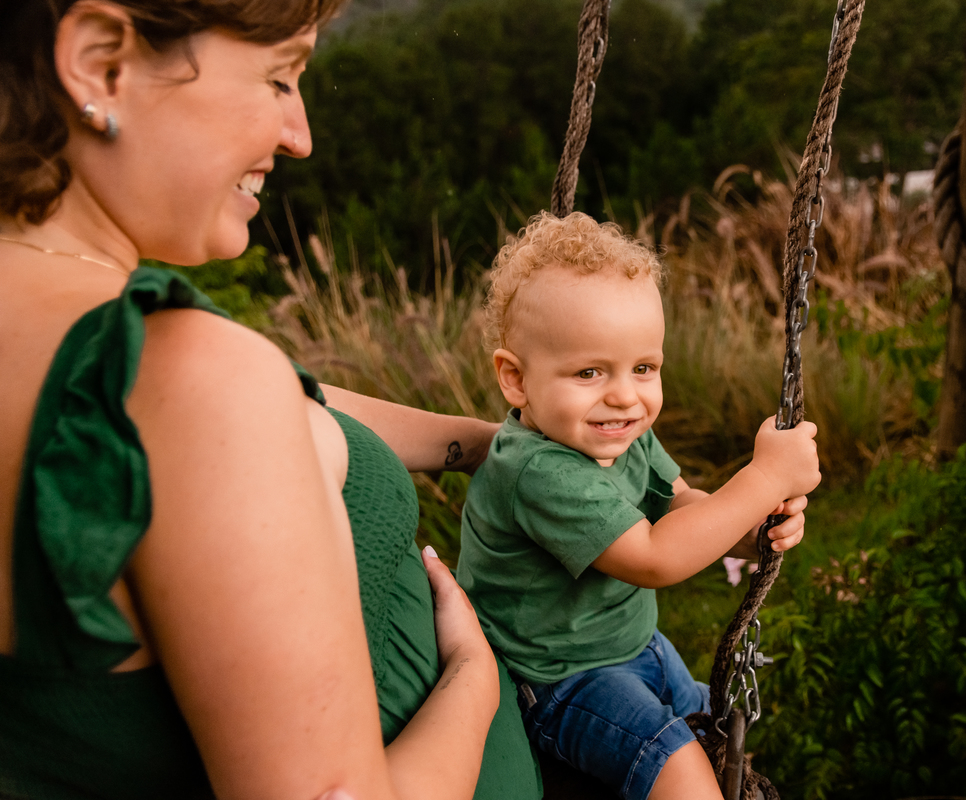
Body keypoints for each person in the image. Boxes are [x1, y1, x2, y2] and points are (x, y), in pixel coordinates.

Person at [0, 1, 539, 798]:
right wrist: (471, 680)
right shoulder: (190, 377)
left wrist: (501, 444)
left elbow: (294, 411)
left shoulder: (107, 351)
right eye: (280, 76)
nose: (300, 134)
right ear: (100, 61)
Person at [456, 211, 821, 800]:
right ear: (516, 380)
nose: (624, 395)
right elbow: (653, 557)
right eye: (590, 371)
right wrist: (761, 479)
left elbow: (679, 506)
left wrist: (746, 524)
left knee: (715, 723)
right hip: (558, 679)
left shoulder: (619, 432)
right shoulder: (538, 470)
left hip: (634, 644)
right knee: (677, 768)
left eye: (644, 368)